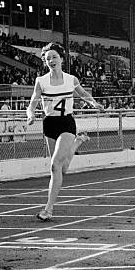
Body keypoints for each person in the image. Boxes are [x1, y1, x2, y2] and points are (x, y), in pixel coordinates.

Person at [26, 42, 104, 221]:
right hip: (49, 124)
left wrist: (93, 103)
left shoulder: (71, 79)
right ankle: (78, 142)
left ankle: (48, 209)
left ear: (61, 58)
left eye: (54, 57)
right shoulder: (41, 81)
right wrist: (30, 116)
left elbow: (83, 94)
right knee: (62, 169)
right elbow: (32, 104)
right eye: (47, 59)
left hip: (66, 123)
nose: (51, 61)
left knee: (54, 165)